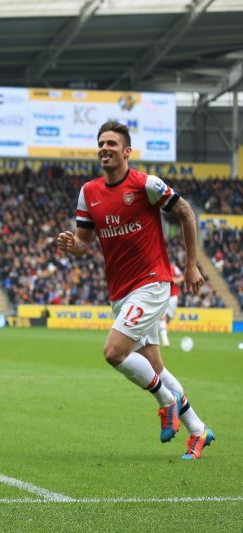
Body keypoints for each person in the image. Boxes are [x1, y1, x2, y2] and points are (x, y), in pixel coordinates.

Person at [55, 121, 213, 460]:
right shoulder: (89, 192)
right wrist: (72, 245)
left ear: (127, 151)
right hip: (121, 292)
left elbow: (187, 213)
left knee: (113, 352)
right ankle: (198, 430)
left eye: (112, 143)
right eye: (101, 143)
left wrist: (189, 265)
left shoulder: (146, 185)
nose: (105, 148)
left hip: (153, 283)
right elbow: (84, 244)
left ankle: (166, 402)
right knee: (154, 366)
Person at [158, 262, 183, 347]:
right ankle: (165, 340)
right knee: (163, 317)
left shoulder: (174, 268)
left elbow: (182, 276)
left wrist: (175, 280)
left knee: (169, 317)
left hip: (173, 297)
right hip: (162, 296)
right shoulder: (158, 268)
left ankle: (162, 329)